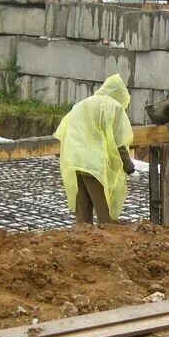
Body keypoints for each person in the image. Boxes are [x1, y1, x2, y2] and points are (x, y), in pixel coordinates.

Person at [54, 73, 136, 226]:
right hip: (94, 167)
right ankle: (106, 247)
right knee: (106, 216)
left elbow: (66, 130)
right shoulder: (113, 107)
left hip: (75, 161)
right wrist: (129, 168)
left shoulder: (82, 104)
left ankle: (81, 246)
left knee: (83, 218)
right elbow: (118, 142)